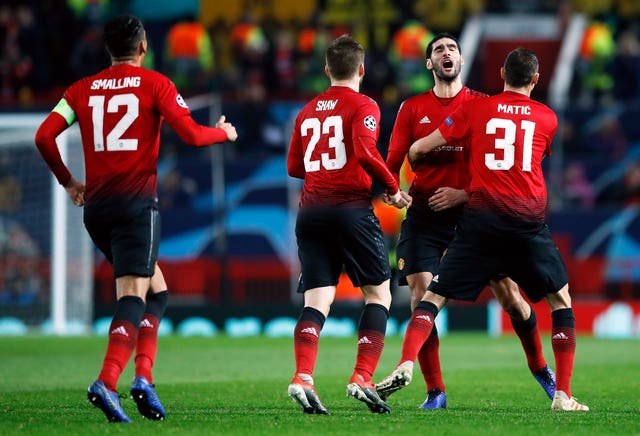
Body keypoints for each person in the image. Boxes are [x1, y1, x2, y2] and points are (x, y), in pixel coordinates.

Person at [34, 14, 237, 423]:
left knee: (156, 292)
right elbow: (194, 136)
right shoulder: (156, 84)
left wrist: (71, 183)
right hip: (136, 207)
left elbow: (43, 136)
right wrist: (224, 134)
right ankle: (107, 382)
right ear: (143, 47)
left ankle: (144, 378)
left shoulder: (80, 91)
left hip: (97, 209)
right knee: (132, 296)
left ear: (107, 49)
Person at [381, 47, 589, 411]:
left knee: (499, 298)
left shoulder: (476, 106)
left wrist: (447, 178)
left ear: (499, 74)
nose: (447, 53)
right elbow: (521, 162)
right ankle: (436, 390)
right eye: (439, 49)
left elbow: (417, 150)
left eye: (452, 48)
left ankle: (540, 370)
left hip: (473, 216)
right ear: (536, 80)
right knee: (424, 292)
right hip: (470, 217)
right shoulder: (546, 117)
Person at [286, 34, 411, 415]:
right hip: (350, 209)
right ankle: (361, 376)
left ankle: (302, 377)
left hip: (310, 211)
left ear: (326, 70)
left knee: (317, 301)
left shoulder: (307, 111)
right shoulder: (365, 104)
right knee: (380, 295)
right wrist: (392, 187)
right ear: (361, 69)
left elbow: (294, 167)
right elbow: (364, 149)